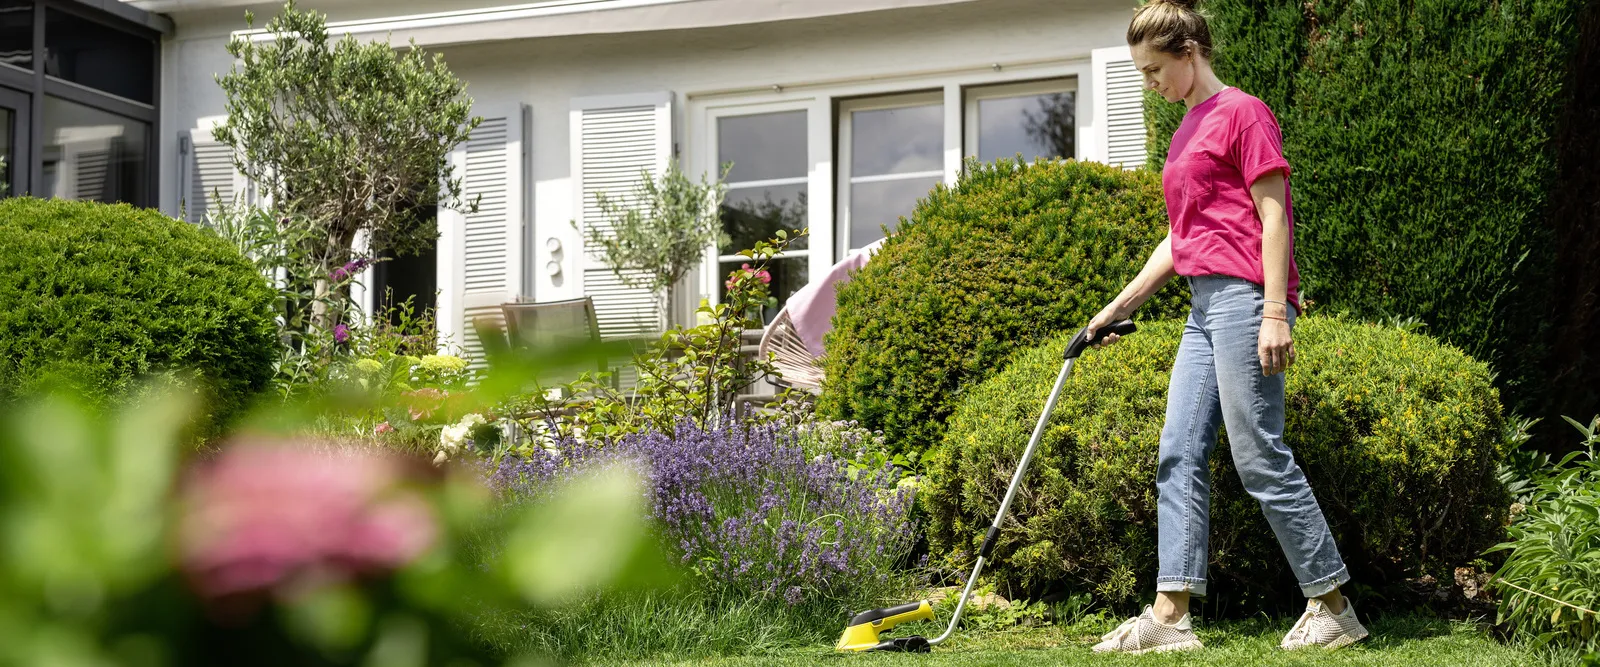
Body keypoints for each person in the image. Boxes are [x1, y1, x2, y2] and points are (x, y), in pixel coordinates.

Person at [1082, 0, 1368, 654]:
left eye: (1155, 69)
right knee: (1178, 449)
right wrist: (1114, 308)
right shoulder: (1185, 130)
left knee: (1259, 453)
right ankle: (1171, 617)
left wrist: (1274, 311)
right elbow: (1182, 240)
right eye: (1141, 73)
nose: (1149, 83)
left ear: (1188, 51)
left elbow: (1274, 216)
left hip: (1246, 299)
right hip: (1202, 308)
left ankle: (1333, 606)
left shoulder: (1244, 112)